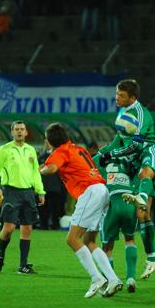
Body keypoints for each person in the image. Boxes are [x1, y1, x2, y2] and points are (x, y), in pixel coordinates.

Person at [40, 123, 123, 298]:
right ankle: (113, 279)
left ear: (51, 140)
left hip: (89, 191)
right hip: (102, 190)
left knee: (72, 239)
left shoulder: (61, 151)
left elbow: (52, 168)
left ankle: (96, 278)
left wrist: (38, 170)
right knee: (89, 241)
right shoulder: (78, 148)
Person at [98, 79, 155, 280]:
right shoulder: (122, 113)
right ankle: (152, 259)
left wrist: (112, 154)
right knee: (142, 214)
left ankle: (141, 196)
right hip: (135, 162)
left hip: (150, 151)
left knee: (146, 173)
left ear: (133, 97)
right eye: (117, 94)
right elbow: (118, 141)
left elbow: (137, 145)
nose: (117, 98)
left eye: (121, 95)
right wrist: (99, 155)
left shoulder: (141, 113)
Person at [0, 121, 45, 275]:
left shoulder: (31, 150)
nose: (20, 132)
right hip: (11, 192)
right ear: (12, 132)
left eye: (22, 129)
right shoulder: (5, 150)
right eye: (17, 129)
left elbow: (35, 172)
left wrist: (40, 191)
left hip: (28, 193)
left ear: (26, 132)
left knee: (27, 228)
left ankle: (23, 265)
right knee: (8, 228)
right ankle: (0, 255)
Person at [95, 154, 140, 293]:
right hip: (129, 201)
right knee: (130, 239)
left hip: (112, 202)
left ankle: (111, 280)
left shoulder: (101, 160)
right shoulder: (130, 160)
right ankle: (131, 278)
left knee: (107, 247)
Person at [37, 139, 67, 230]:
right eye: (45, 142)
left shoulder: (58, 156)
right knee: (43, 208)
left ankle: (55, 225)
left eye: (49, 142)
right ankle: (44, 225)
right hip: (44, 187)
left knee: (56, 208)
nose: (47, 144)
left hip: (56, 187)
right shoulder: (41, 157)